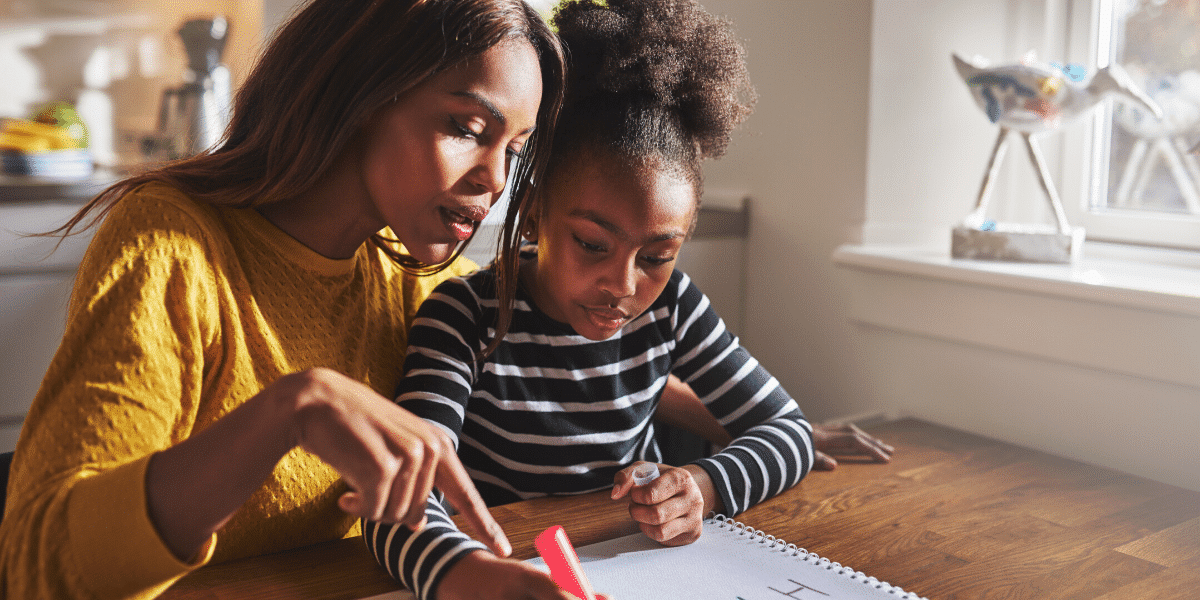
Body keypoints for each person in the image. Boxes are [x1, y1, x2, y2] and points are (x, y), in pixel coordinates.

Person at [0, 1, 566, 598]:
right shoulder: (173, 245)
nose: (496, 179)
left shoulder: (415, 290)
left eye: (515, 149)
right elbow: (36, 567)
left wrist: (671, 480)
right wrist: (288, 413)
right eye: (469, 130)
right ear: (362, 94)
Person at [362, 2, 891, 599]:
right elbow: (398, 508)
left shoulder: (672, 309)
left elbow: (788, 431)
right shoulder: (463, 319)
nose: (624, 284)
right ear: (534, 214)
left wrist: (703, 486)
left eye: (659, 255)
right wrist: (468, 574)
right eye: (592, 244)